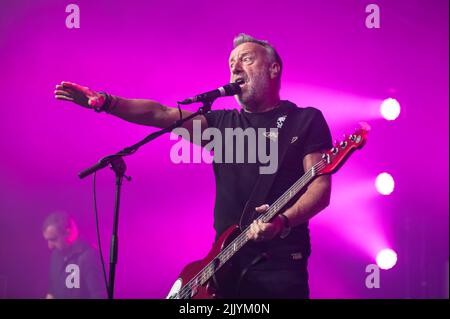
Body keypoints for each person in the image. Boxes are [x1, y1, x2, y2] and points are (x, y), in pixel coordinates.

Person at [54, 33, 332, 299]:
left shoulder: (305, 120)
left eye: (246, 59)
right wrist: (106, 102)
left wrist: (283, 221)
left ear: (273, 68)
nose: (235, 66)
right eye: (231, 64)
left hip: (279, 267)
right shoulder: (221, 125)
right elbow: (158, 113)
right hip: (224, 266)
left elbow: (320, 187)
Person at [42, 212, 106, 299]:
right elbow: (52, 291)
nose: (50, 246)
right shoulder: (55, 255)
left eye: (53, 239)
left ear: (68, 233)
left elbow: (99, 295)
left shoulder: (89, 256)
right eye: (48, 240)